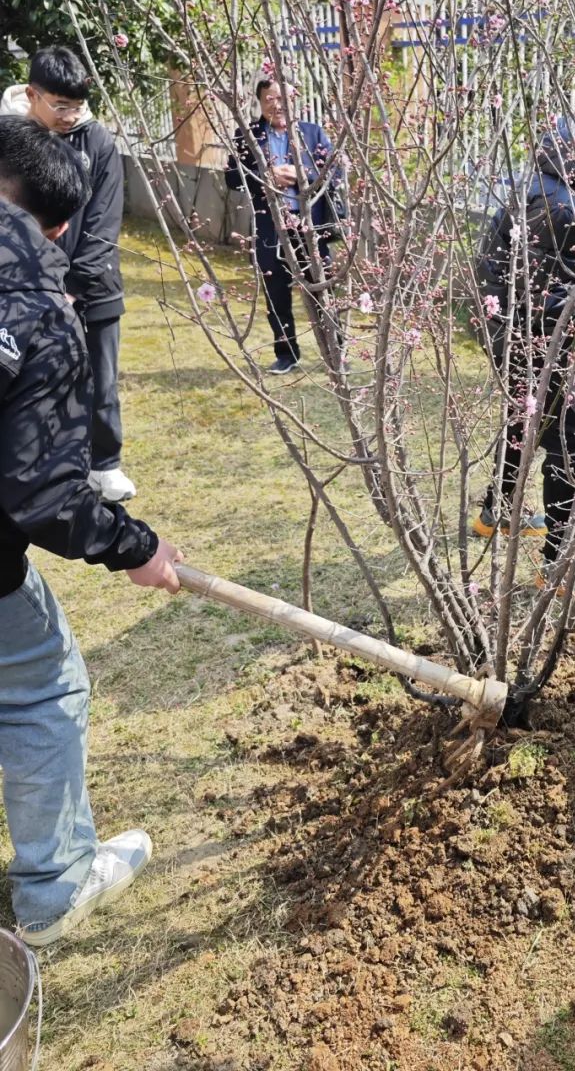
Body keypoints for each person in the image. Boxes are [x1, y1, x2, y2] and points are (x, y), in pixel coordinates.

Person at [0, 117, 183, 947]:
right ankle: (55, 887)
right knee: (43, 685)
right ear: (62, 225)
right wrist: (134, 547)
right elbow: (40, 493)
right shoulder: (37, 309)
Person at [474, 117, 575, 608]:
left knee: (527, 420)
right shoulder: (563, 206)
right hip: (529, 336)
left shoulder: (542, 188)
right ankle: (562, 567)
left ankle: (495, 512)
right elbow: (552, 299)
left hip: (505, 330)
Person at [1, 46, 136, 502]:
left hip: (91, 288)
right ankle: (55, 465)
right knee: (34, 380)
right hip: (24, 287)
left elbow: (103, 223)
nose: (69, 116)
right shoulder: (13, 142)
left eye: (76, 106)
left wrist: (73, 288)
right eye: (60, 106)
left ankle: (106, 463)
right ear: (31, 94)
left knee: (99, 378)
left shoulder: (97, 143)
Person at [225, 79, 340, 374]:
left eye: (283, 98)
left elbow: (334, 170)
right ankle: (286, 354)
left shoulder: (312, 133)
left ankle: (335, 352)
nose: (277, 105)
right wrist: (266, 175)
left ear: (295, 101)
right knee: (275, 293)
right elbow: (232, 177)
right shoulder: (248, 135)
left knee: (322, 288)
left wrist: (304, 174)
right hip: (270, 227)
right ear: (261, 103)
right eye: (270, 98)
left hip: (308, 227)